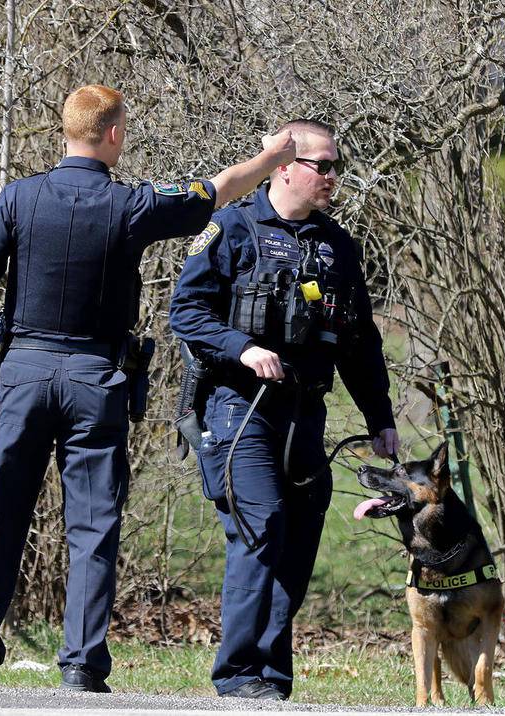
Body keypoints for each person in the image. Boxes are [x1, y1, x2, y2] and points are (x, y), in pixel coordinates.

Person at [0, 84, 296, 692]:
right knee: (93, 526)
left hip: (22, 373)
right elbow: (220, 187)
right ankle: (81, 665)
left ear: (65, 131)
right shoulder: (132, 206)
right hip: (96, 381)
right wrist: (271, 155)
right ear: (114, 134)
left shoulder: (17, 198)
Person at [169, 119, 400, 700]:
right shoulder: (230, 229)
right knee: (260, 525)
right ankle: (238, 673)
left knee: (298, 534)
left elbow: (358, 341)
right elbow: (187, 314)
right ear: (284, 166)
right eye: (322, 165)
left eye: (336, 167)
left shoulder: (337, 247)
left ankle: (270, 675)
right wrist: (243, 348)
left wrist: (381, 418)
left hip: (304, 413)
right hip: (236, 408)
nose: (332, 178)